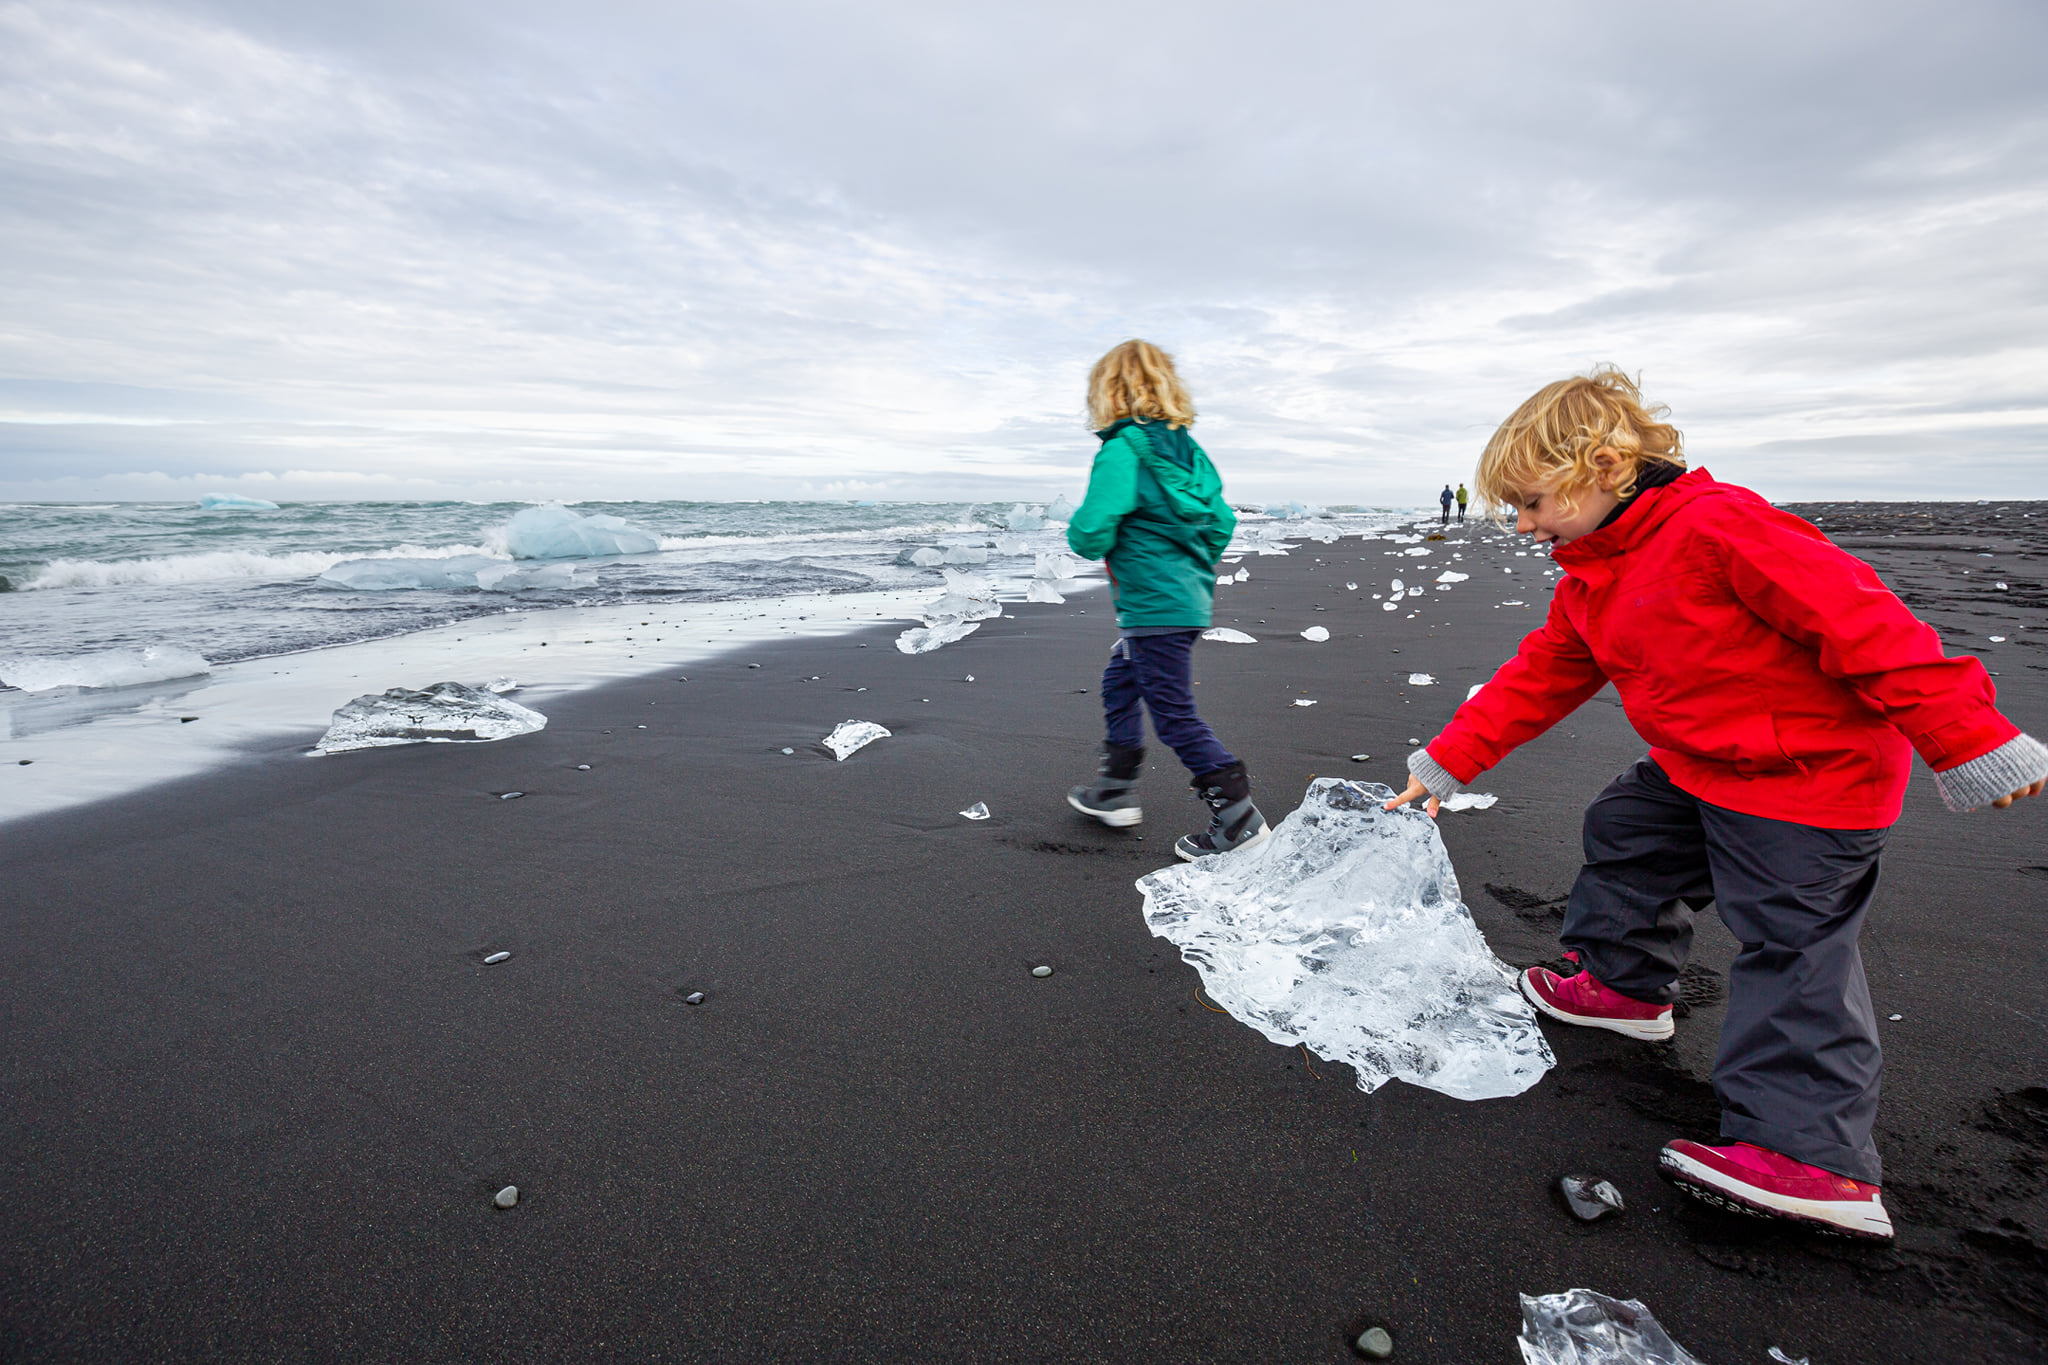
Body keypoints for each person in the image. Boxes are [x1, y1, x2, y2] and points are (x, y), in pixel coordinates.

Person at [1382, 367, 2046, 1241]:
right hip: (1702, 766)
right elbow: (1542, 675)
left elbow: (1865, 622)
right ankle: (1624, 986)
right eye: (1513, 507)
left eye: (1535, 501)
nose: (1522, 523)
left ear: (1607, 465)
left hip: (1811, 781)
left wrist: (1971, 737)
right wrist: (1449, 761)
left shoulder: (1721, 527)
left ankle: (1814, 1158)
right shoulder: (1593, 573)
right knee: (1627, 829)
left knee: (1794, 946)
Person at [1064, 339, 1270, 861]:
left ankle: (1238, 817)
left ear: (1108, 391)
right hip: (1185, 597)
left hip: (1152, 604)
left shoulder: (1123, 449)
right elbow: (1220, 521)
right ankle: (1114, 786)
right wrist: (1188, 560)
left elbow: (1091, 530)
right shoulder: (1190, 451)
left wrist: (1091, 535)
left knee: (1174, 712)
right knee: (1120, 678)